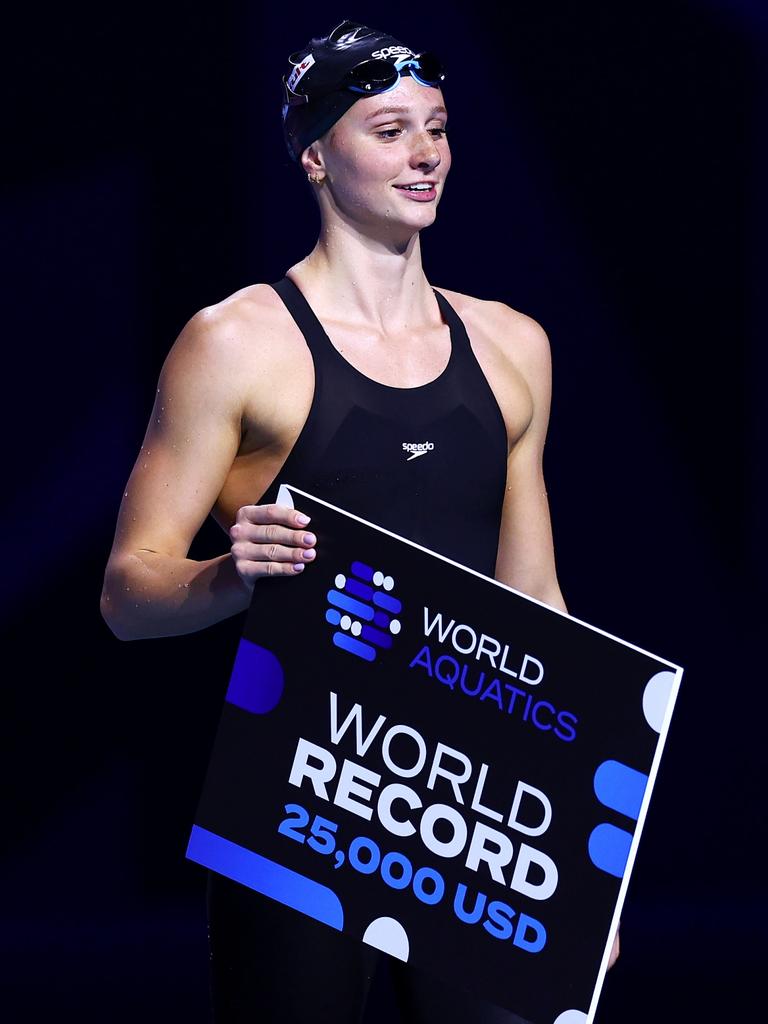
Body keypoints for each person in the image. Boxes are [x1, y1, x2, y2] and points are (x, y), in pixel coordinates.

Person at [100, 17, 619, 1022]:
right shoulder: (236, 343)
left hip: (476, 815)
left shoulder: (514, 346)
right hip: (305, 799)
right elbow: (128, 593)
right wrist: (227, 575)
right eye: (388, 130)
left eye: (436, 127)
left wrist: (582, 869)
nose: (425, 153)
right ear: (314, 155)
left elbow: (536, 605)